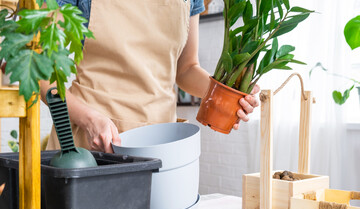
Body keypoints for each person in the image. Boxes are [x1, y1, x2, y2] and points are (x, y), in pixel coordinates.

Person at [41, 0, 260, 153]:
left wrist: (228, 94)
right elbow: (40, 74)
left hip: (161, 144)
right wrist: (90, 120)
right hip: (90, 141)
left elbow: (186, 69)